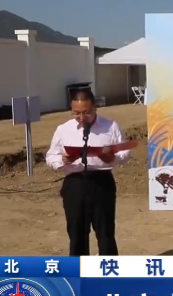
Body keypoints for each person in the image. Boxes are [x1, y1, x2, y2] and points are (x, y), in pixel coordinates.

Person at [45, 88, 132, 256]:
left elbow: (125, 152)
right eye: (76, 113)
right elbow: (51, 156)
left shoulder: (111, 126)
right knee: (77, 234)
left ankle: (108, 269)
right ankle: (78, 270)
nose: (81, 117)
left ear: (95, 107)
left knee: (105, 233)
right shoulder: (63, 129)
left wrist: (112, 158)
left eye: (86, 112)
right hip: (75, 184)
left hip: (102, 183)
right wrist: (62, 161)